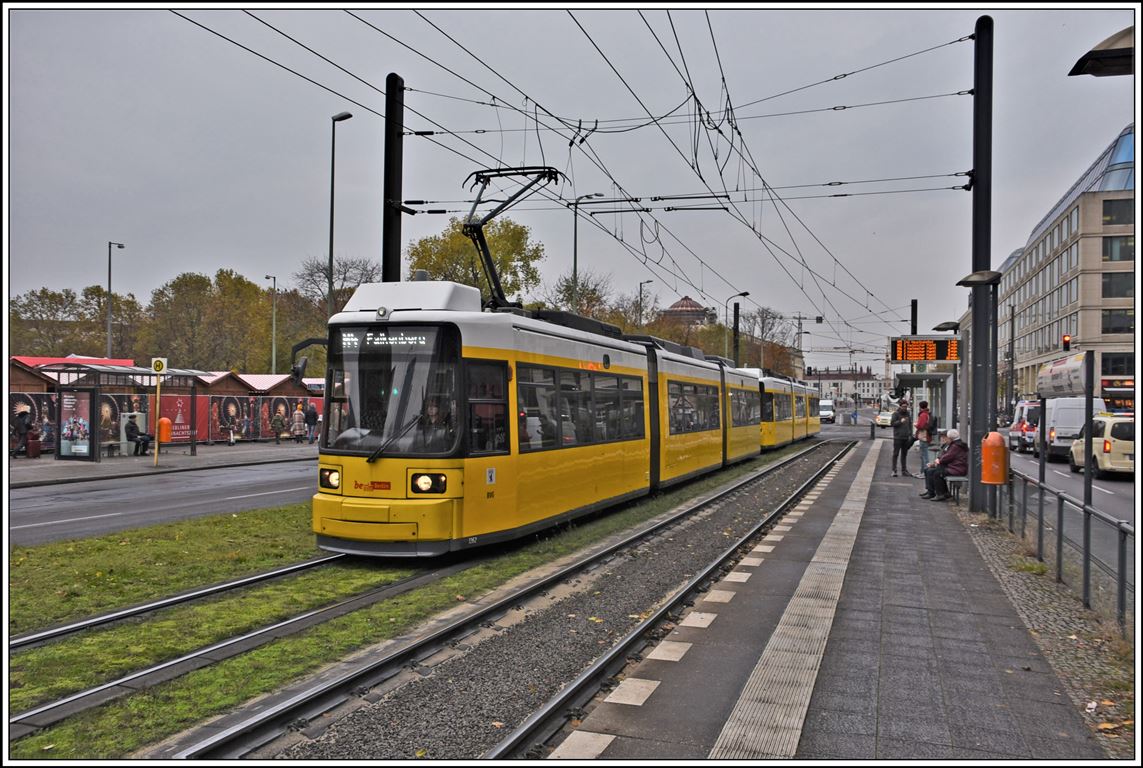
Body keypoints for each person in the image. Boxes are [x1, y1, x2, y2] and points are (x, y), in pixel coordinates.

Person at [921, 429, 968, 501]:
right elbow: (945, 456)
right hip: (954, 467)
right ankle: (935, 492)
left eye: (946, 438)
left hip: (957, 469)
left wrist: (938, 461)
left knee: (937, 473)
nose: (944, 439)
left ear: (950, 438)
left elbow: (947, 457)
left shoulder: (955, 446)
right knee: (930, 470)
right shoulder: (955, 445)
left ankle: (940, 494)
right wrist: (938, 461)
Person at [889, 399, 913, 477]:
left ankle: (904, 470)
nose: (905, 408)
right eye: (903, 406)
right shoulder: (895, 414)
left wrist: (910, 434)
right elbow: (892, 423)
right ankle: (894, 470)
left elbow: (910, 424)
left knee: (904, 455)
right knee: (895, 454)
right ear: (900, 406)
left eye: (906, 406)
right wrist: (900, 421)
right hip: (898, 437)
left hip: (906, 437)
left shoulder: (908, 414)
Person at [914, 400, 933, 468]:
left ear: (920, 407)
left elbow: (921, 426)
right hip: (926, 436)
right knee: (924, 455)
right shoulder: (927, 414)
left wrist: (916, 425)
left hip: (924, 436)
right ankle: (922, 472)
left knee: (924, 456)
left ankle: (925, 472)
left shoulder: (923, 415)